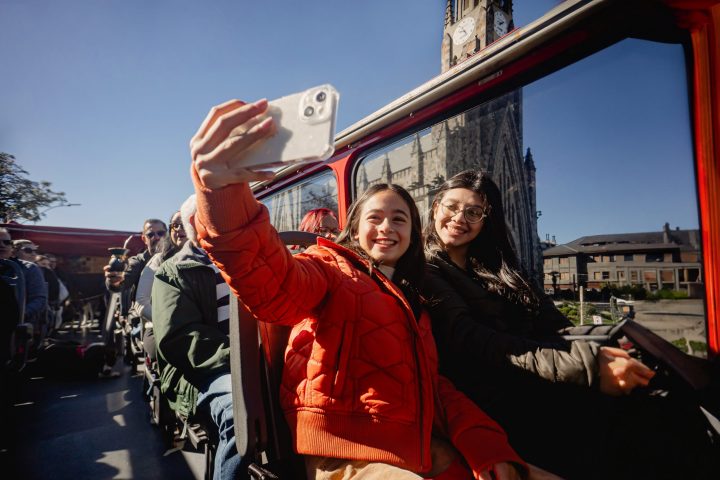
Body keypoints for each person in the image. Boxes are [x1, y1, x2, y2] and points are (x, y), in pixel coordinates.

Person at [185, 98, 553, 480]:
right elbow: (272, 284)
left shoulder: (415, 300)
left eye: (400, 219)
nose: (387, 227)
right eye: (374, 217)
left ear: (413, 234)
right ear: (356, 229)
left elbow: (433, 388)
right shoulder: (330, 267)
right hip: (344, 452)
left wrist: (485, 443)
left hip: (413, 444)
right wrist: (221, 190)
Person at [421, 169, 717, 480]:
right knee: (646, 421)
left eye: (473, 211)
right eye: (452, 207)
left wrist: (609, 340)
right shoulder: (427, 269)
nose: (459, 218)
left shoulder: (498, 267)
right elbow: (479, 341)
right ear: (435, 205)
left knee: (653, 381)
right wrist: (586, 367)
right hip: (502, 395)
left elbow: (554, 324)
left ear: (486, 220)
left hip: (537, 376)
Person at [152, 194, 245, 480]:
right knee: (238, 414)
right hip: (201, 370)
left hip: (252, 358)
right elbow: (179, 338)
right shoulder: (174, 271)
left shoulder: (247, 260)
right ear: (194, 224)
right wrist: (241, 358)